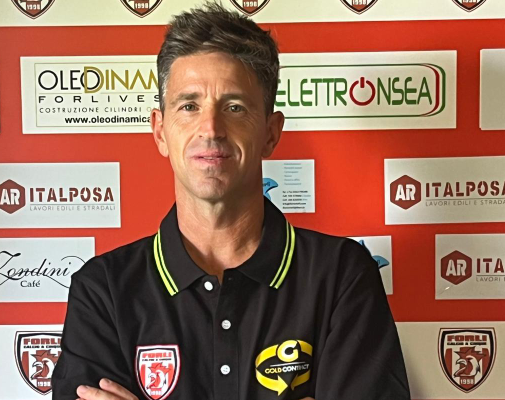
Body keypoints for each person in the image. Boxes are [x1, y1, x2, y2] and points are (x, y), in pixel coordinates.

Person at [52, 3, 411, 400]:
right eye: (189, 106)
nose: (211, 128)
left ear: (271, 133)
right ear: (160, 131)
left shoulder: (342, 276)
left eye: (235, 107)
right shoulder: (102, 289)